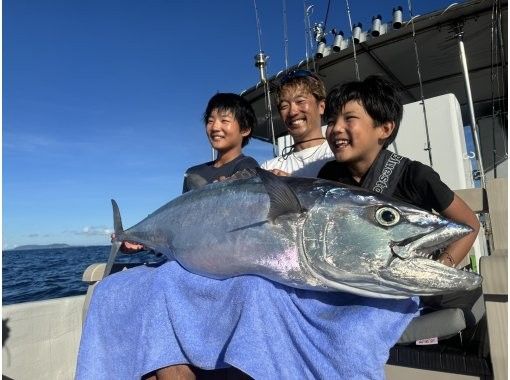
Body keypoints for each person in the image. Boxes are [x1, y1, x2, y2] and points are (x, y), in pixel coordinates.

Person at [317, 75, 481, 324]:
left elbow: (469, 224)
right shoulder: (329, 175)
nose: (336, 129)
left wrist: (438, 269)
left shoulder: (414, 175)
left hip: (405, 296)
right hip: (353, 289)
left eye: (349, 118)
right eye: (331, 121)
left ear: (385, 128)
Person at [121, 92, 259, 253]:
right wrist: (145, 242)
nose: (215, 127)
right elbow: (181, 224)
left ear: (245, 129)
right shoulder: (193, 173)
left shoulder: (248, 167)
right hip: (190, 255)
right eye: (210, 120)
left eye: (224, 120)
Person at [261, 69, 333, 177]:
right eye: (284, 106)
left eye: (300, 101)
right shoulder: (268, 169)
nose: (292, 112)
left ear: (321, 106)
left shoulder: (336, 154)